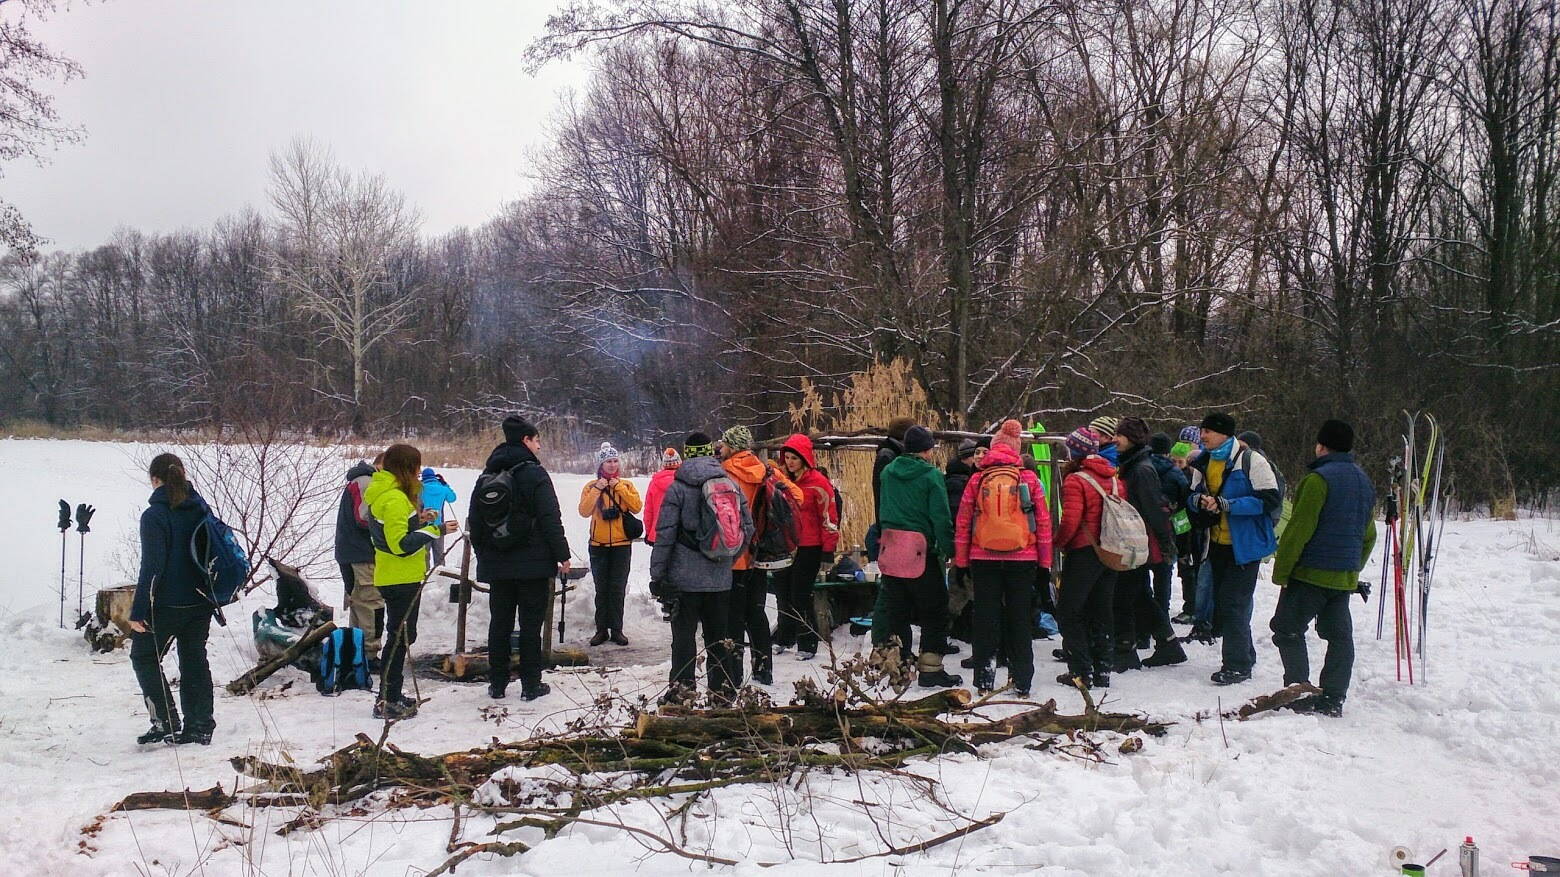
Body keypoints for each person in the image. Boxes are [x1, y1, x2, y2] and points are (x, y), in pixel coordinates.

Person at [1270, 420, 1376, 717]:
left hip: (1311, 573)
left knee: (1287, 628)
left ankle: (1298, 690)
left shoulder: (1317, 480)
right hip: (1343, 578)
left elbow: (1299, 530)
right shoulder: (1364, 482)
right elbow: (1369, 535)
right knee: (1339, 637)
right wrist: (1353, 569)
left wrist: (1283, 571)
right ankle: (1333, 697)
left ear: (1321, 446)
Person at [470, 416, 572, 701]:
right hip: (533, 565)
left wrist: (485, 555)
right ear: (525, 440)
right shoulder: (535, 474)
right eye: (536, 440)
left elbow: (475, 523)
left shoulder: (487, 474)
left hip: (497, 565)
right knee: (530, 626)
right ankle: (530, 683)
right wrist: (562, 554)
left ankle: (497, 683)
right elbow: (550, 517)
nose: (539, 446)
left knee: (499, 624)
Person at [650, 432, 753, 703]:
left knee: (683, 641)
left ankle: (681, 696)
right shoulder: (729, 484)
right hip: (720, 580)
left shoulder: (677, 488)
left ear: (687, 454)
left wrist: (658, 575)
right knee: (719, 639)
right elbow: (747, 529)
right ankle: (722, 694)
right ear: (711, 452)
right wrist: (727, 559)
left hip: (683, 581)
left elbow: (665, 535)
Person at [953, 424, 1052, 695]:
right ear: (1016, 450)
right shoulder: (1028, 478)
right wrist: (1044, 564)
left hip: (983, 557)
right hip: (1023, 558)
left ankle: (984, 679)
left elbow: (963, 523)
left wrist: (961, 562)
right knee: (1019, 618)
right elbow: (1043, 523)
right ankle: (1021, 680)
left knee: (985, 617)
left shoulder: (977, 479)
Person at [130, 453, 218, 745]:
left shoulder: (154, 516)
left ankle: (164, 721)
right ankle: (200, 726)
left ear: (154, 480)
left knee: (144, 656)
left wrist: (138, 610)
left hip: (167, 604)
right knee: (194, 659)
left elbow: (152, 567)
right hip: (201, 600)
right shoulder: (200, 508)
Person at [1186, 412, 1281, 685]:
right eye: (1202, 430)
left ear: (1225, 434)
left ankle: (1237, 665)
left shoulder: (1251, 460)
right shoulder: (1204, 461)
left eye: (1208, 431)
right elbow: (1190, 495)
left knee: (1233, 603)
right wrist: (1199, 501)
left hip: (1246, 545)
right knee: (1226, 603)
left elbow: (1269, 500)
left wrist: (1228, 505)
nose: (1203, 436)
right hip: (1216, 543)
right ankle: (1245, 655)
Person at [365, 443, 457, 719]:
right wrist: (436, 530)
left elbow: (396, 531)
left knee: (402, 636)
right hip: (400, 578)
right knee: (399, 638)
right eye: (416, 467)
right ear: (407, 468)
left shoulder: (388, 494)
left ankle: (390, 694)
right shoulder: (394, 499)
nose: (419, 472)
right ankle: (388, 699)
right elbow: (400, 545)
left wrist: (420, 520)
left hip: (395, 575)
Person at [873, 425, 961, 687]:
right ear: (927, 449)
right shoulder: (931, 476)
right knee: (934, 610)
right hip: (921, 553)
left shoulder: (888, 472)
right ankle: (931, 669)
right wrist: (950, 549)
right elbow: (941, 519)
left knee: (897, 611)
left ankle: (898, 666)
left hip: (891, 550)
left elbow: (883, 510)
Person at [717, 425, 802, 685]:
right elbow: (798, 496)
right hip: (761, 554)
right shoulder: (767, 470)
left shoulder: (724, 473)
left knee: (732, 618)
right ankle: (763, 670)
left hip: (734, 557)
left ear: (732, 446)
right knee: (756, 613)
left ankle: (733, 674)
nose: (721, 448)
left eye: (724, 444)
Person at [1109, 417, 1188, 671]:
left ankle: (1127, 650)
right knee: (1140, 595)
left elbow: (1153, 508)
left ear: (1131, 438)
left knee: (1126, 595)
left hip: (1137, 540)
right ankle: (1167, 644)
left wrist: (1164, 543)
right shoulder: (1133, 464)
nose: (1115, 439)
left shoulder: (1140, 469)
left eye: (1119, 435)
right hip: (1135, 539)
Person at [1053, 427, 1119, 689]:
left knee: (1069, 610)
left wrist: (1058, 543)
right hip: (1110, 551)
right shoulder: (1114, 478)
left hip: (1083, 551)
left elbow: (1070, 521)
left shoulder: (1076, 480)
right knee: (1101, 608)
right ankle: (1103, 668)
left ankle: (1081, 670)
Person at [774, 433, 840, 659]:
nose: (790, 462)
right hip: (785, 546)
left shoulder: (818, 483)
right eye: (787, 458)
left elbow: (829, 519)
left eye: (794, 458)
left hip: (809, 546)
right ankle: (784, 638)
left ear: (804, 458)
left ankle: (807, 643)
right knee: (782, 594)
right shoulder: (782, 482)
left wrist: (828, 550)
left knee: (800, 595)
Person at [579, 442, 643, 647]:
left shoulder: (626, 485)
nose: (612, 464)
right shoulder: (590, 486)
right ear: (601, 464)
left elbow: (636, 506)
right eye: (608, 461)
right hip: (598, 546)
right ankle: (601, 630)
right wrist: (598, 489)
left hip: (621, 545)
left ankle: (617, 630)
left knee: (617, 588)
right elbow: (584, 511)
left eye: (615, 461)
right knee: (601, 589)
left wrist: (618, 487)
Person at [334, 454, 384, 670]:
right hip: (361, 553)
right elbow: (364, 518)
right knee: (370, 603)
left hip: (351, 551)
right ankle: (369, 655)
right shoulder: (366, 481)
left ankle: (357, 652)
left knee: (359, 603)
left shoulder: (360, 480)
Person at [1148, 432, 1190, 618]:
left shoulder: (1141, 467)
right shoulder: (1176, 473)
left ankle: (1143, 617)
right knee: (1163, 573)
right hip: (1168, 528)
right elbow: (1184, 505)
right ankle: (1161, 616)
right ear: (1167, 452)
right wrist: (1183, 539)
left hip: (1143, 526)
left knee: (1140, 573)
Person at [419, 466, 458, 567]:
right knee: (439, 553)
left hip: (423, 525)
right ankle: (440, 573)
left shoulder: (420, 489)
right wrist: (445, 484)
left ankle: (426, 574)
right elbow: (452, 498)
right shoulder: (443, 488)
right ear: (434, 477)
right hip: (439, 525)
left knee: (424, 554)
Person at [642, 447, 681, 546]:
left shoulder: (654, 483)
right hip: (681, 534)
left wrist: (648, 532)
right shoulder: (684, 481)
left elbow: (648, 512)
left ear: (664, 464)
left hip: (658, 534)